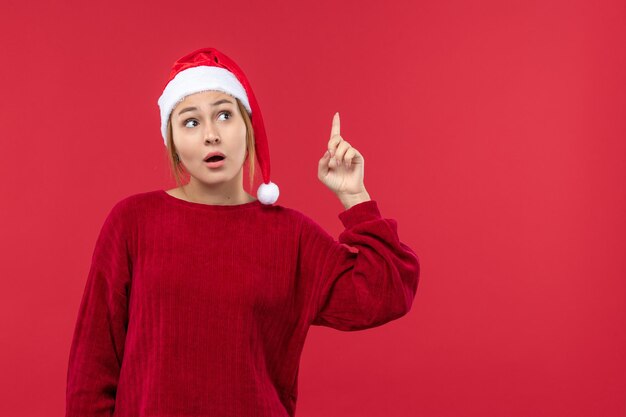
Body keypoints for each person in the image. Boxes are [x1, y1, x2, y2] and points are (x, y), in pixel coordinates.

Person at [65, 47, 420, 417]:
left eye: (224, 114)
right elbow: (91, 369)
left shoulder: (289, 235)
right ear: (171, 141)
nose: (211, 135)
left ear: (247, 127)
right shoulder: (132, 222)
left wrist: (354, 195)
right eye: (190, 121)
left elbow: (387, 293)